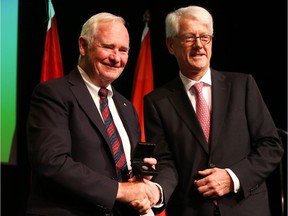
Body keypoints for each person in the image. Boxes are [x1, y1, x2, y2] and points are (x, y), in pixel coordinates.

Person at [143, 5, 284, 216]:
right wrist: (156, 191)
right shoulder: (157, 101)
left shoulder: (242, 86)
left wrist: (233, 177)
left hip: (245, 208)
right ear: (171, 45)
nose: (199, 45)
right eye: (190, 37)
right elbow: (166, 162)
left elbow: (271, 146)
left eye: (205, 37)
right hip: (190, 210)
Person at [26, 12, 162, 216]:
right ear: (83, 46)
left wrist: (139, 177)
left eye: (123, 50)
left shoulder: (126, 106)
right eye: (108, 47)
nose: (116, 58)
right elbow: (51, 161)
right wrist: (120, 191)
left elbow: (121, 169)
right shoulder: (54, 94)